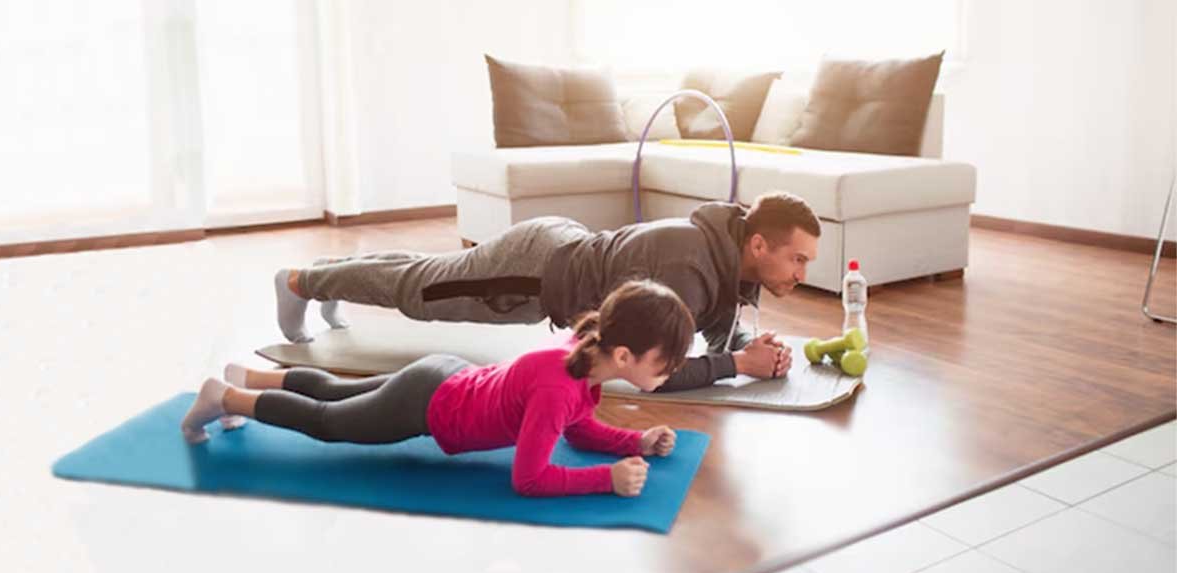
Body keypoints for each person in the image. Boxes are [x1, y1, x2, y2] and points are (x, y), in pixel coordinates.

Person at [182, 280, 696, 498]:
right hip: (428, 403)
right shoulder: (561, 388)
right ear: (626, 357)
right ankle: (225, 398)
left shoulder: (584, 357)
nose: (672, 370)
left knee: (338, 391)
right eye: (666, 362)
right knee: (328, 421)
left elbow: (576, 430)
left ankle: (248, 376)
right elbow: (530, 478)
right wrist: (606, 480)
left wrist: (636, 442)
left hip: (444, 375)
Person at [275, 191, 820, 391]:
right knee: (420, 291)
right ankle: (303, 280)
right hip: (533, 273)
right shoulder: (688, 272)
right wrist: (740, 366)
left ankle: (331, 271)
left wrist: (753, 350)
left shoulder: (729, 265)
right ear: (756, 244)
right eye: (796, 258)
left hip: (559, 252)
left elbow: (719, 339)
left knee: (429, 272)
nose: (801, 272)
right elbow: (655, 373)